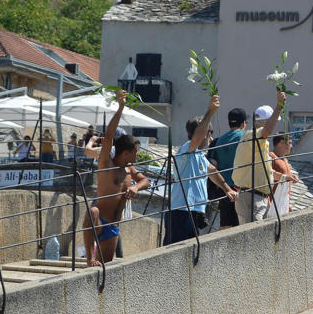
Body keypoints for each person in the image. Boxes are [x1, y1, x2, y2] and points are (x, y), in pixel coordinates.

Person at [81, 91, 149, 266]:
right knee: (92, 211)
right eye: (136, 151)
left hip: (113, 225)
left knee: (107, 266)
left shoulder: (129, 168)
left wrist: (135, 188)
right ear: (126, 152)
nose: (139, 154)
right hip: (99, 221)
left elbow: (145, 181)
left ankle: (95, 261)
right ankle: (89, 258)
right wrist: (120, 108)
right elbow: (110, 136)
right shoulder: (106, 163)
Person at [165, 95, 238, 245]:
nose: (210, 140)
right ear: (206, 134)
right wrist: (210, 112)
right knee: (174, 253)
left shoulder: (199, 156)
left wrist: (227, 189)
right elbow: (196, 139)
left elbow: (212, 171)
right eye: (209, 135)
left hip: (194, 212)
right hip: (181, 211)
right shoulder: (186, 150)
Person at [232, 90, 286, 224]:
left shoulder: (258, 142)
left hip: (258, 196)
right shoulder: (252, 136)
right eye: (272, 122)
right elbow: (266, 131)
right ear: (264, 122)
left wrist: (284, 177)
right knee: (252, 240)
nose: (274, 126)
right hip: (252, 197)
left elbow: (262, 169)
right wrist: (278, 107)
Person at [209, 107, 247, 229]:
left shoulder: (219, 140)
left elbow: (213, 162)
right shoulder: (245, 137)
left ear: (229, 123)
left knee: (225, 223)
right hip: (240, 186)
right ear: (244, 123)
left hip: (223, 186)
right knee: (241, 223)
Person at [267, 133, 299, 217]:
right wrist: (269, 203)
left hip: (281, 203)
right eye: (290, 143)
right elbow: (267, 175)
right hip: (272, 204)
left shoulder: (284, 159)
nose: (291, 146)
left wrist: (292, 176)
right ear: (281, 143)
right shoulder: (270, 156)